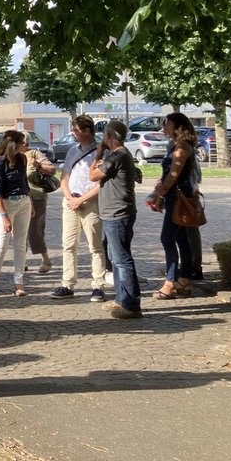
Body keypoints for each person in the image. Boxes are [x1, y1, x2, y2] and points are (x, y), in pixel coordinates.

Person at [49, 115, 106, 302]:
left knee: (95, 246)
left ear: (87, 131)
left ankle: (98, 285)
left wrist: (82, 199)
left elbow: (102, 183)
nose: (73, 133)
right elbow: (64, 176)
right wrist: (69, 198)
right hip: (70, 203)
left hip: (90, 202)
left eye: (76, 130)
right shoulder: (73, 150)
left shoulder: (100, 152)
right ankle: (67, 283)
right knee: (68, 245)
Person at [89, 120, 142, 319]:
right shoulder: (120, 155)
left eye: (104, 136)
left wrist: (97, 155)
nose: (102, 139)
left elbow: (93, 175)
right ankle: (122, 299)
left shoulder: (117, 155)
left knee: (121, 259)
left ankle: (131, 304)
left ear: (109, 137)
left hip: (118, 214)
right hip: (115, 213)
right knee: (114, 257)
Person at [147, 112, 201, 300]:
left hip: (178, 198)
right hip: (175, 196)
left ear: (178, 127)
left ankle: (170, 282)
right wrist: (160, 189)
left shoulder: (182, 147)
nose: (164, 127)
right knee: (181, 238)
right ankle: (184, 279)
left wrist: (161, 191)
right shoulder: (178, 145)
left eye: (167, 124)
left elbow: (174, 173)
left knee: (167, 238)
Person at [0, 131, 32, 297]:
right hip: (6, 203)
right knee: (1, 244)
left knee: (20, 244)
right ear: (14, 144)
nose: (24, 145)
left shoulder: (22, 159)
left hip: (23, 201)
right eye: (22, 142)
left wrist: (29, 199)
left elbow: (24, 181)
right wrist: (3, 215)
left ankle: (19, 282)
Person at [25, 137, 57, 274]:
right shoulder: (12, 155)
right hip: (20, 198)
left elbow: (52, 170)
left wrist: (38, 165)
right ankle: (22, 260)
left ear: (25, 143)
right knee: (18, 231)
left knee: (35, 230)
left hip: (36, 197)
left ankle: (46, 259)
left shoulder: (34, 154)